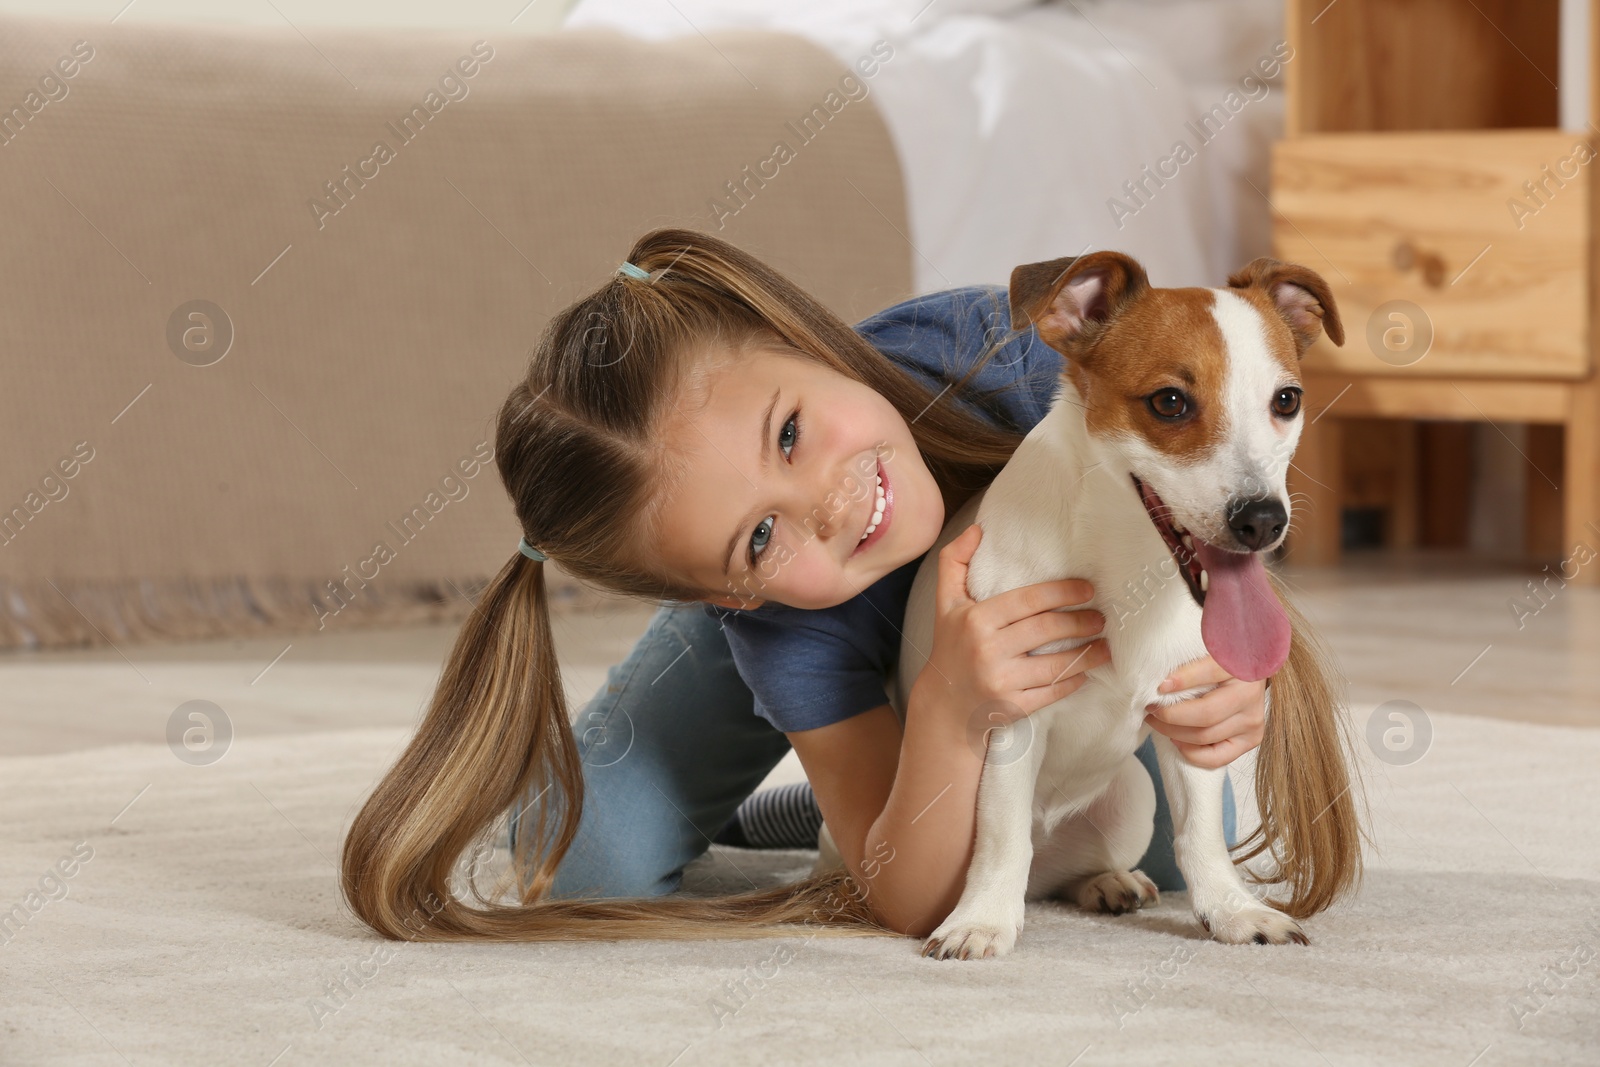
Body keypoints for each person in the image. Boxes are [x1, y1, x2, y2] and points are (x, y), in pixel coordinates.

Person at [339, 228, 1267, 942]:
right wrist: (945, 709)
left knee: (1154, 840)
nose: (825, 503)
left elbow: (1227, 498)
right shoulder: (771, 617)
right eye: (762, 531)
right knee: (582, 855)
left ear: (799, 340)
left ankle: (797, 721)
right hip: (820, 612)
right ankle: (779, 738)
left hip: (1058, 637)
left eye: (787, 434)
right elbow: (903, 892)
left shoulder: (1003, 358)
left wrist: (1237, 682)